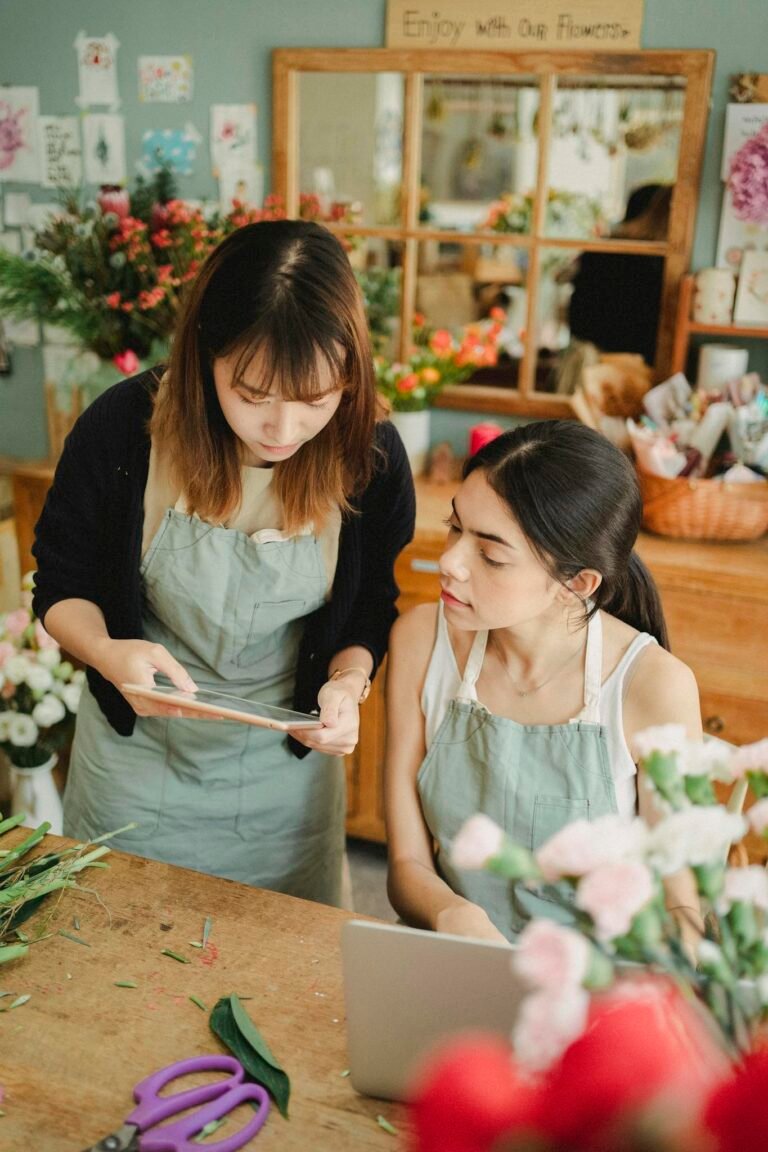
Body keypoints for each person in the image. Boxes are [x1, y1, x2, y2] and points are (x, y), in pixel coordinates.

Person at [32, 219, 416, 906]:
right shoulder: (123, 428)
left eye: (314, 401)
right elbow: (62, 583)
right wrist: (107, 652)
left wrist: (346, 683)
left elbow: (371, 606)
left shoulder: (372, 457)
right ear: (206, 353)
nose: (282, 430)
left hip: (284, 780)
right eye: (252, 395)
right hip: (135, 763)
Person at [384, 421, 701, 943]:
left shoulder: (652, 686)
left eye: (490, 555)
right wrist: (452, 914)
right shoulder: (422, 641)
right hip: (449, 959)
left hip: (596, 992)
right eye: (455, 527)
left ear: (575, 583)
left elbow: (680, 901)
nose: (450, 562)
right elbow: (406, 864)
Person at [567, 183, 672, 366]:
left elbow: (578, 320)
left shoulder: (601, 250)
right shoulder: (662, 262)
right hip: (638, 366)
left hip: (599, 358)